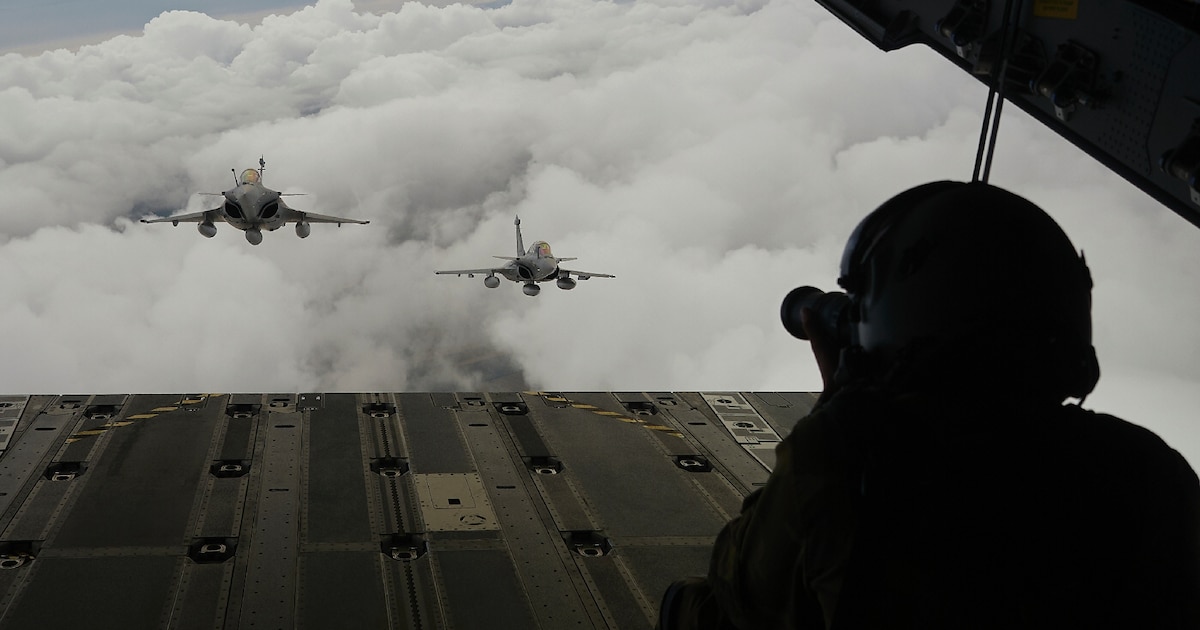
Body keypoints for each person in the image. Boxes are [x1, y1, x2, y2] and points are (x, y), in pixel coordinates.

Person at [658, 181, 1200, 629]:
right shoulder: (1149, 466)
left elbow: (741, 591)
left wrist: (836, 407)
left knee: (689, 609)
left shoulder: (850, 456)